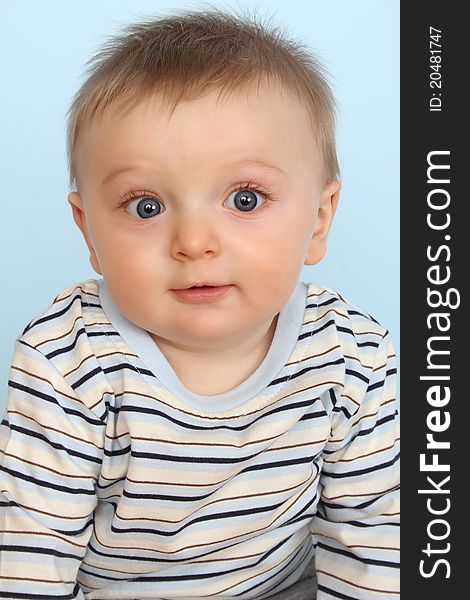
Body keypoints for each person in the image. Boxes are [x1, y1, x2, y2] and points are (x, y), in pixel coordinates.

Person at [0, 8, 399, 599]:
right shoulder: (67, 359)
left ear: (318, 219)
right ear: (88, 232)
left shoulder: (352, 355)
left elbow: (378, 540)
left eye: (244, 198)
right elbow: (29, 557)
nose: (194, 243)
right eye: (145, 207)